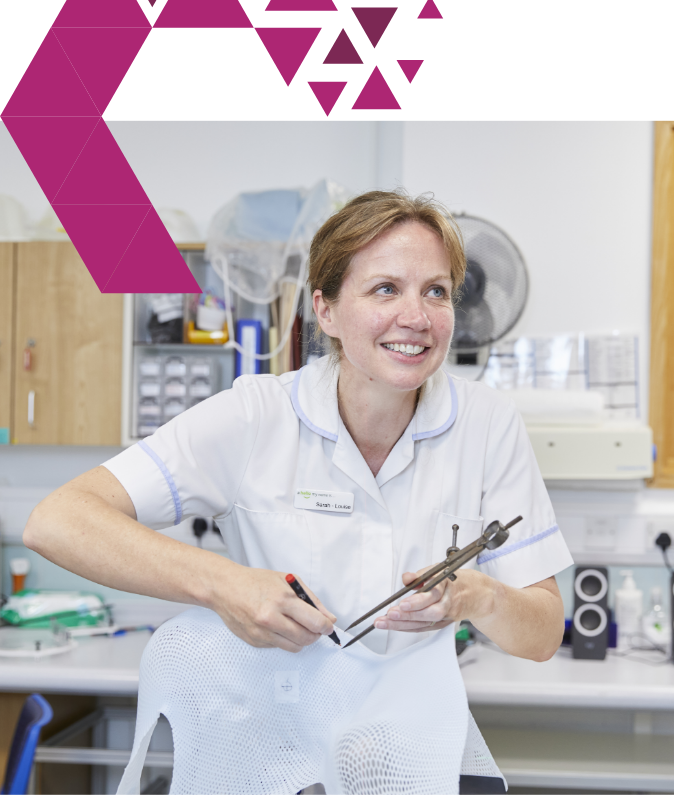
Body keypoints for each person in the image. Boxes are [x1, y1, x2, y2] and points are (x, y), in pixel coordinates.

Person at [24, 190, 572, 660]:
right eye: (386, 289)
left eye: (436, 291)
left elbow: (544, 632)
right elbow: (58, 521)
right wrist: (222, 583)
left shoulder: (487, 423)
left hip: (410, 750)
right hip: (278, 745)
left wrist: (482, 599)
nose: (418, 317)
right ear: (326, 311)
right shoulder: (255, 415)